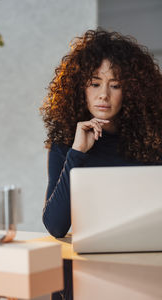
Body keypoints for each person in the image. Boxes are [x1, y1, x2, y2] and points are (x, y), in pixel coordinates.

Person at [40, 28, 162, 299]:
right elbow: (56, 226)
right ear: (79, 88)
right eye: (95, 83)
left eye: (115, 85)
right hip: (83, 275)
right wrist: (77, 153)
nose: (103, 95)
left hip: (144, 273)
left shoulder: (155, 142)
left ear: (131, 91)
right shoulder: (66, 144)